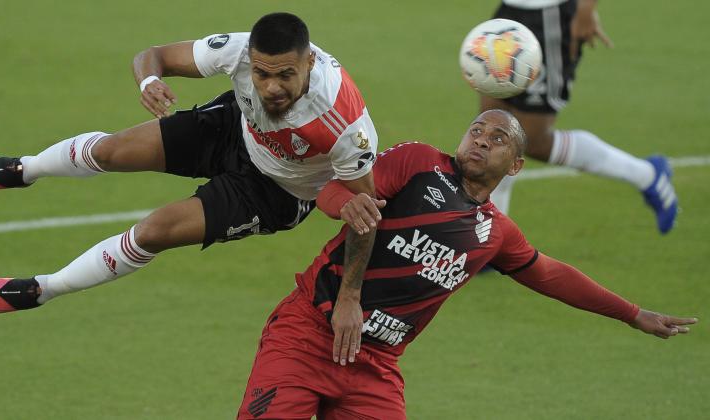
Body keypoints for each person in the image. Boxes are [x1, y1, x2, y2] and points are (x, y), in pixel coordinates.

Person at [235, 109, 696, 419]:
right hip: (309, 334)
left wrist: (633, 314)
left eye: (497, 139)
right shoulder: (418, 164)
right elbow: (336, 189)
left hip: (374, 364)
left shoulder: (496, 233)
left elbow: (553, 275)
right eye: (477, 131)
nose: (481, 141)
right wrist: (345, 207)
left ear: (515, 165)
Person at [0, 12, 384, 342]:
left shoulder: (344, 125)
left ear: (309, 62)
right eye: (262, 74)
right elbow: (153, 56)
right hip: (235, 129)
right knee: (111, 150)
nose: (272, 88)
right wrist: (150, 81)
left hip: (274, 192)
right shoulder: (237, 51)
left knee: (154, 231)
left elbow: (363, 214)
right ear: (251, 60)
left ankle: (42, 290)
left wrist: (349, 296)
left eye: (285, 75)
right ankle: (23, 169)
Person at [479, 0, 678, 234]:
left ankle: (647, 175)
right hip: (509, 14)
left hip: (548, 16)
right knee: (493, 124)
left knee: (531, 139)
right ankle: (490, 240)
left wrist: (586, 9)